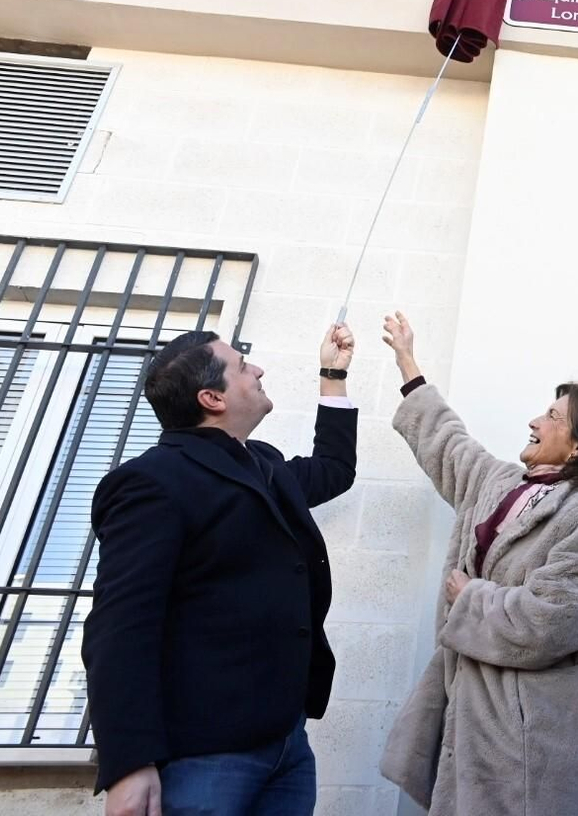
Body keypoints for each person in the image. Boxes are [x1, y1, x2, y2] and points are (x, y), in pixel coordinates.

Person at [376, 311, 578, 816]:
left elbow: (556, 619)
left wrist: (472, 598)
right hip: (469, 718)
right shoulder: (499, 484)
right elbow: (448, 444)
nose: (535, 421)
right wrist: (409, 365)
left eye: (552, 416)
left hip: (527, 738)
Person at [84, 323, 359, 816]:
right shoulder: (152, 482)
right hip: (203, 757)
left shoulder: (264, 464)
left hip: (287, 745)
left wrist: (332, 374)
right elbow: (120, 626)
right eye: (241, 365)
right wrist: (129, 762)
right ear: (212, 397)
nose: (257, 369)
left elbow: (334, 469)